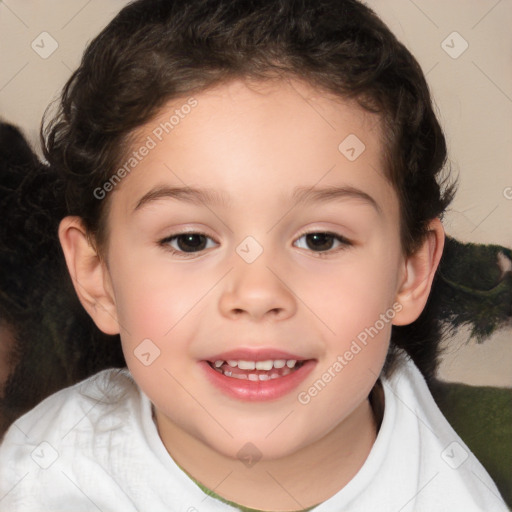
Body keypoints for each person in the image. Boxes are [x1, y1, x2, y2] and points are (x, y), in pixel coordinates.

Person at [0, 0, 508, 510]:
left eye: (320, 240)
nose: (258, 294)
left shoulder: (458, 491)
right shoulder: (40, 478)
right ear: (97, 276)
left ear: (410, 273)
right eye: (190, 240)